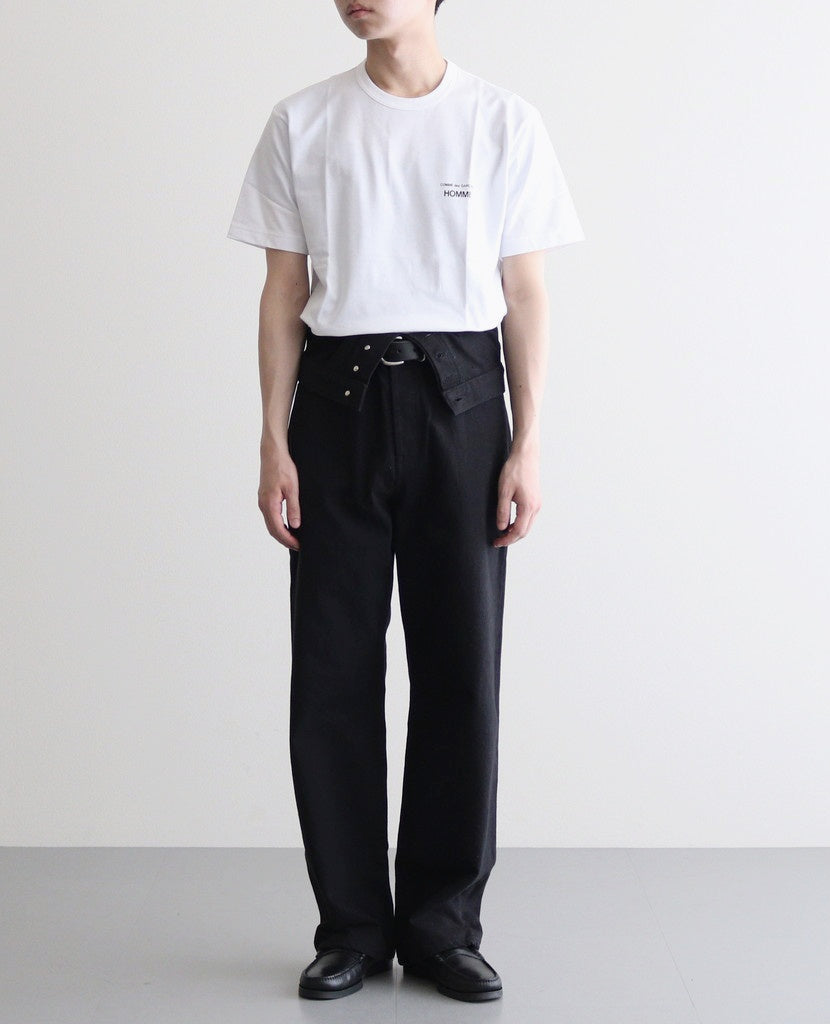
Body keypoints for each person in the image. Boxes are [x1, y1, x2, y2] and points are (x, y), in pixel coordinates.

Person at [226, 0, 584, 1003]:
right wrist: (272, 438)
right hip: (334, 407)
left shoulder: (501, 120)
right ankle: (350, 926)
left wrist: (527, 441)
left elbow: (526, 292)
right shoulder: (303, 121)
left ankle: (441, 926)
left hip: (461, 404)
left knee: (460, 670)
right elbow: (282, 290)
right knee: (332, 675)